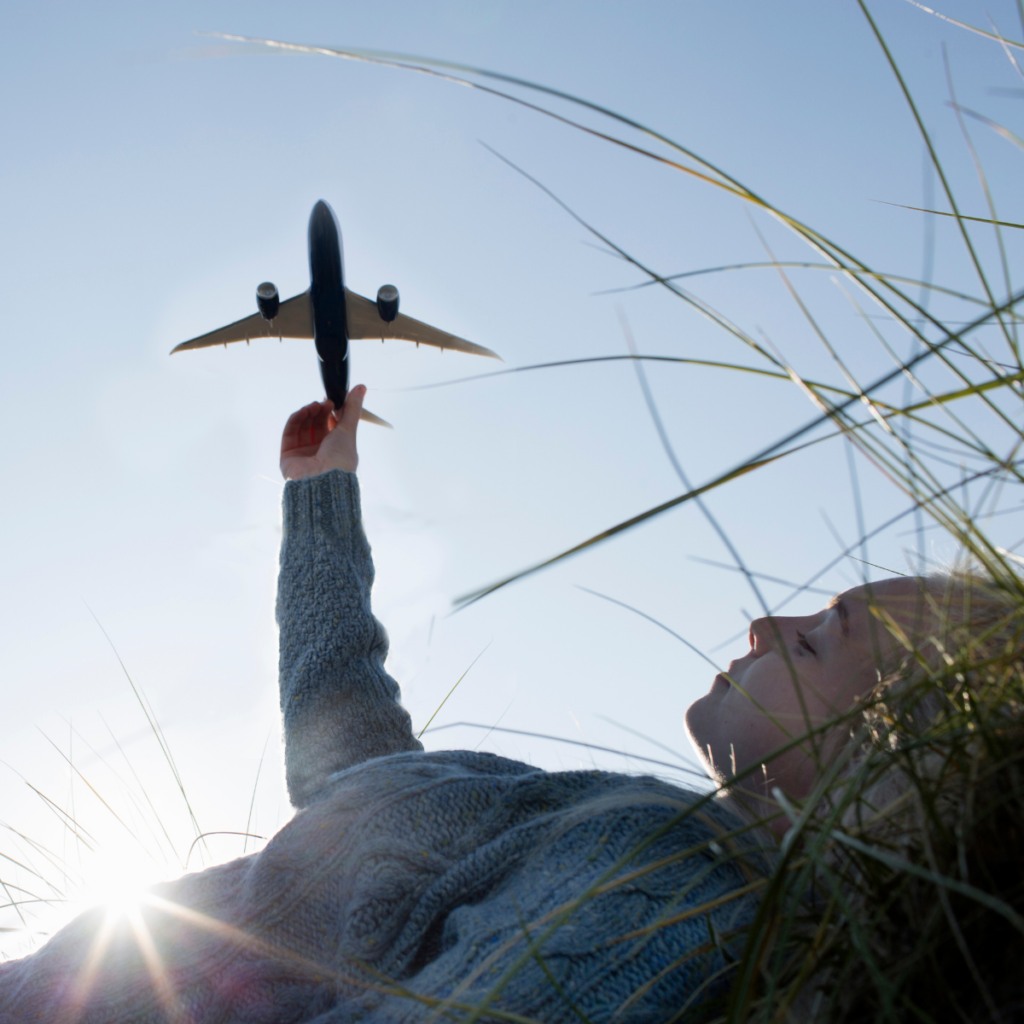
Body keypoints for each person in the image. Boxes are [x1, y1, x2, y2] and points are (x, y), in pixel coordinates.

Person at [0, 389, 976, 1023]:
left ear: (890, 761)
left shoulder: (676, 889)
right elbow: (352, 762)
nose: (766, 622)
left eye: (817, 637)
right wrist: (320, 495)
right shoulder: (615, 826)